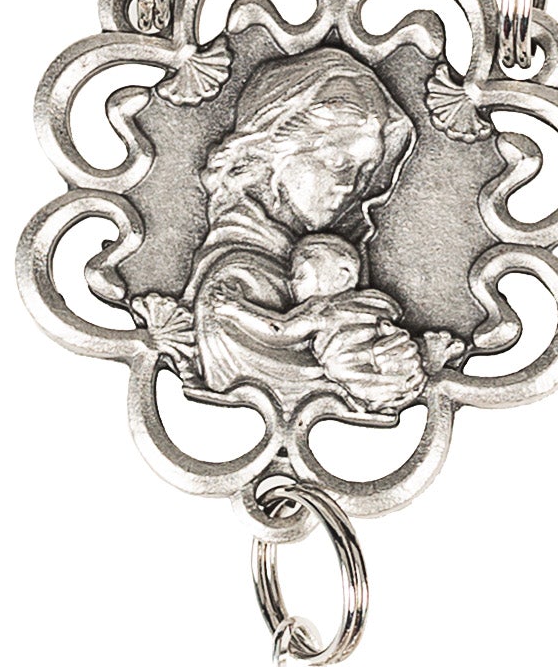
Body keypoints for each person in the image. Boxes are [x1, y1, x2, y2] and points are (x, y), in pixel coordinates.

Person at [175, 53, 453, 415]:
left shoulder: (323, 255)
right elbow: (281, 387)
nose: (350, 186)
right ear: (274, 149)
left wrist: (396, 359)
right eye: (338, 162)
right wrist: (388, 377)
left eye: (365, 170)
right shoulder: (240, 276)